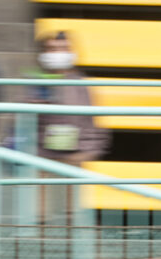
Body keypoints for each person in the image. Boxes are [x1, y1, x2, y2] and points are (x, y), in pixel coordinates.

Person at [24, 30, 108, 169]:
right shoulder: (32, 82)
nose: (59, 53)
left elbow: (92, 123)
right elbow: (23, 124)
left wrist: (86, 152)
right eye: (53, 49)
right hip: (41, 160)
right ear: (43, 53)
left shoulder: (82, 85)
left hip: (74, 158)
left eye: (64, 48)